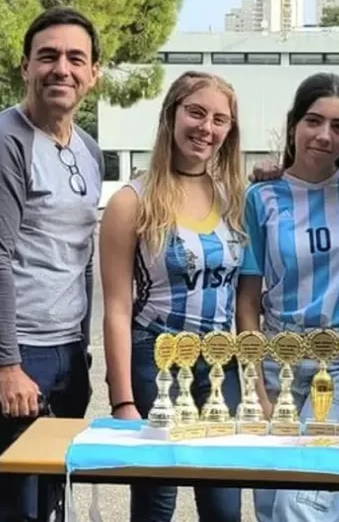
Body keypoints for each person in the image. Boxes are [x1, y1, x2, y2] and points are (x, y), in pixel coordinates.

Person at [0, 7, 105, 522]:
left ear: (93, 73)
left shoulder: (88, 151)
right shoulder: (1, 141)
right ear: (25, 67)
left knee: (53, 496)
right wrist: (7, 365)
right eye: (49, 56)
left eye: (75, 58)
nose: (62, 69)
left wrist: (79, 347)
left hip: (63, 352)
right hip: (8, 354)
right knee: (13, 503)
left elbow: (80, 255)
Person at [99, 70, 248, 522]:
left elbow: (244, 296)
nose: (207, 128)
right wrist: (122, 398)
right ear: (171, 115)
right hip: (156, 361)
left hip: (222, 368)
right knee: (155, 503)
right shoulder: (132, 201)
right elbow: (117, 308)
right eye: (196, 113)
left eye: (220, 119)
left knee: (224, 504)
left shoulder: (236, 196)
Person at [237, 73, 339, 522]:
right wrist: (253, 381)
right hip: (277, 355)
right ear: (294, 123)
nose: (325, 135)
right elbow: (248, 300)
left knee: (302, 500)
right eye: (314, 121)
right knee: (272, 497)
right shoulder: (262, 196)